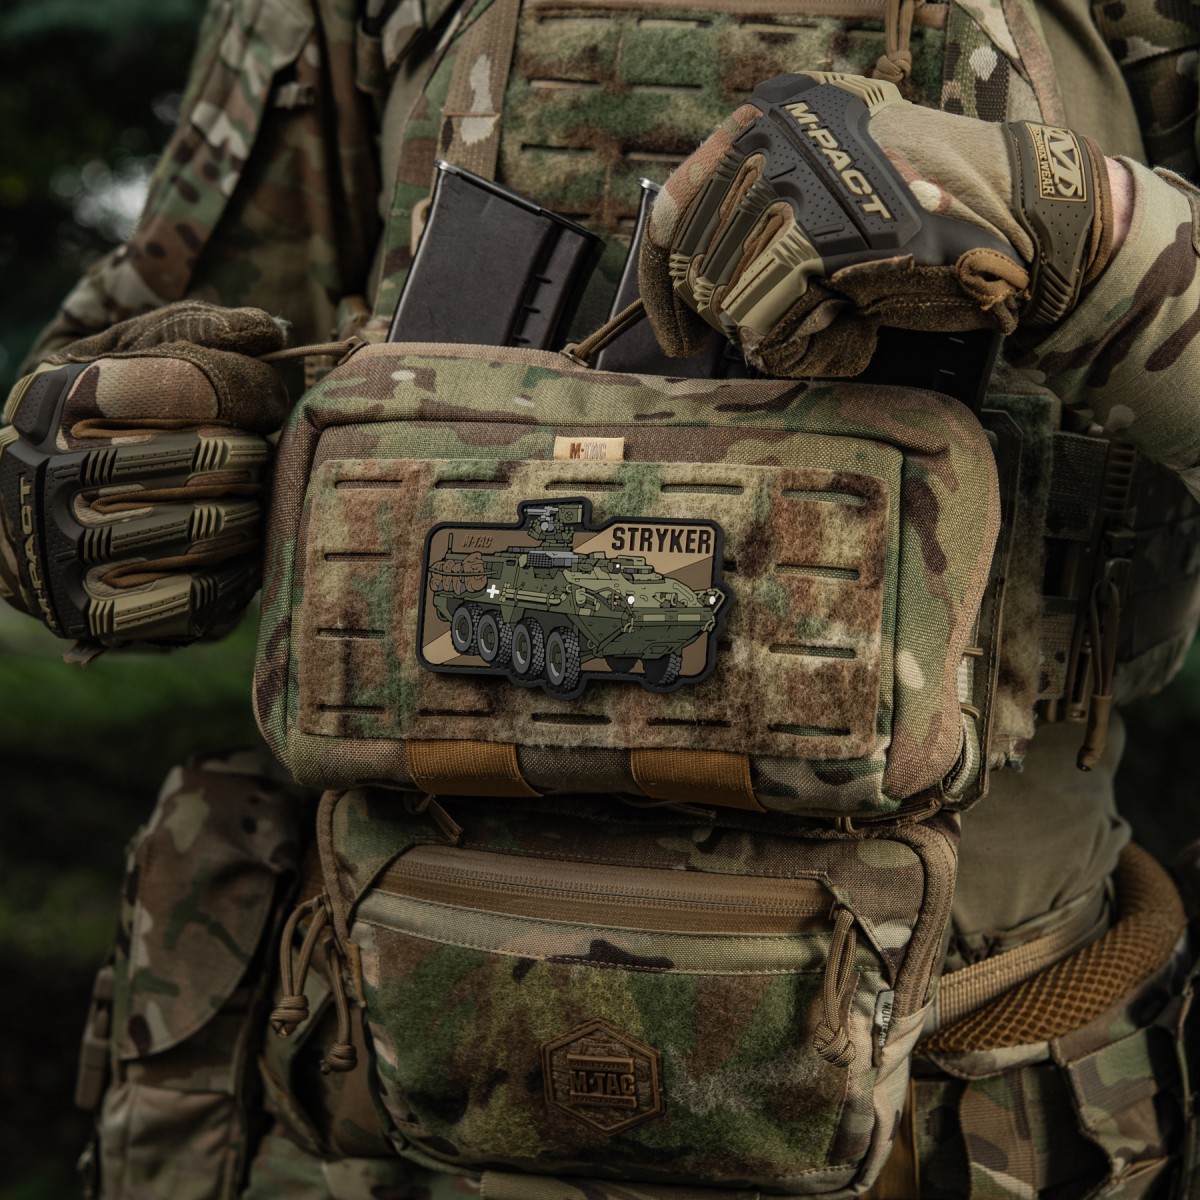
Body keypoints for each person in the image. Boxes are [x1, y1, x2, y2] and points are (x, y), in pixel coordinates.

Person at [2, 0, 1199, 1196]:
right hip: (372, 1076)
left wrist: (1086, 233)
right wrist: (113, 479)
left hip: (966, 1094)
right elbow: (105, 400)